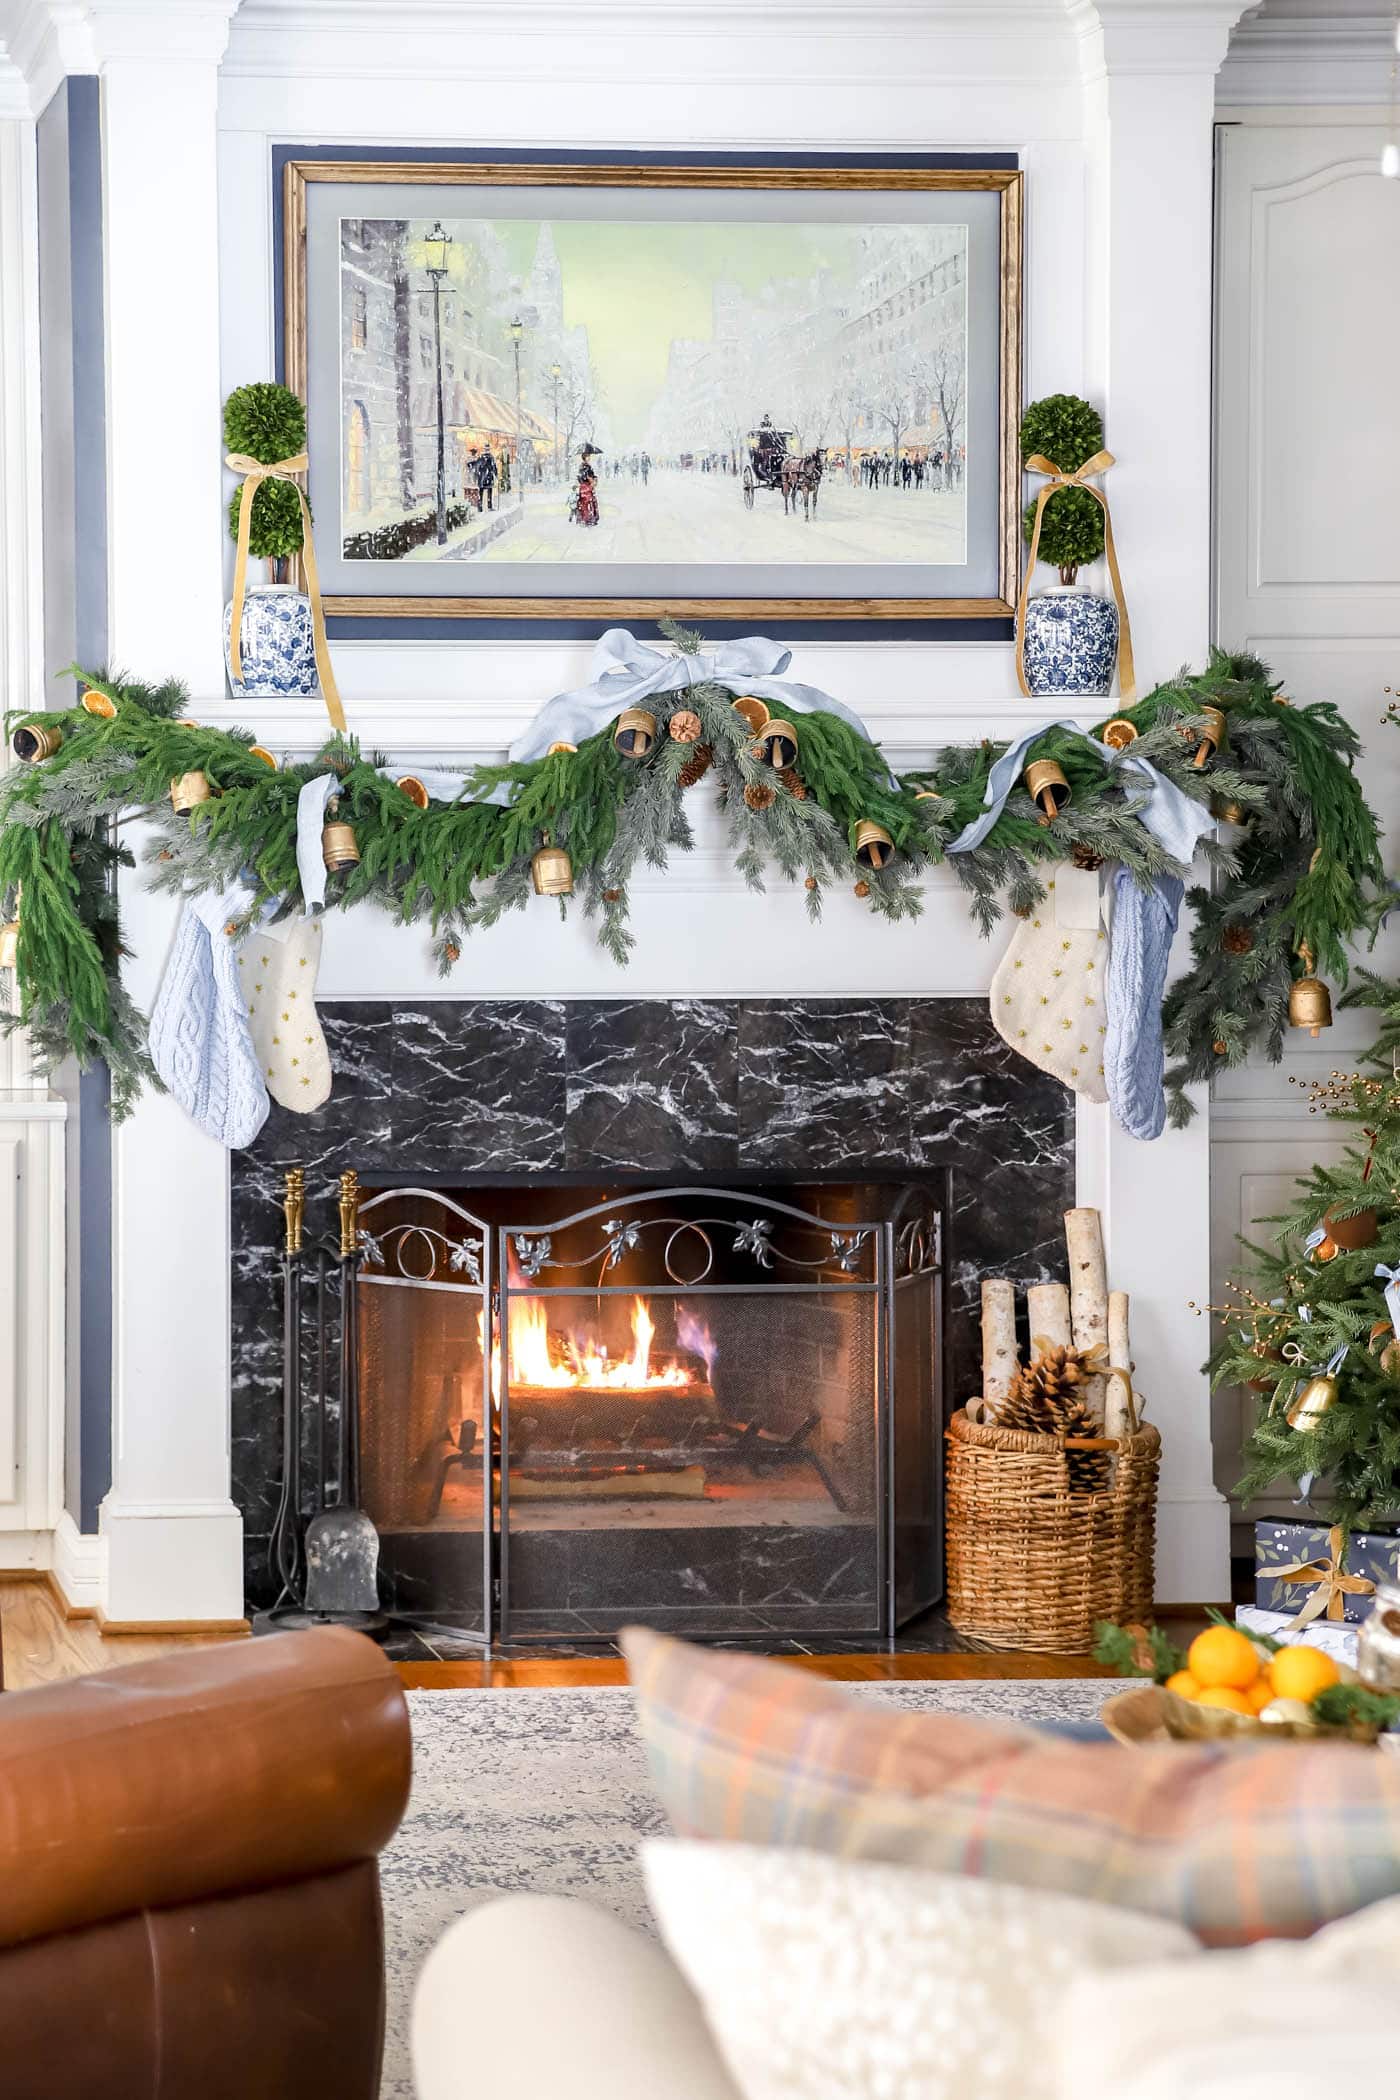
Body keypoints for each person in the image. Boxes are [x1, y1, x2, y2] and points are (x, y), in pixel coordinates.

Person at [573, 441, 601, 526]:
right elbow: (587, 477)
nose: (589, 457)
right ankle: (588, 519)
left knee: (586, 503)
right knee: (587, 503)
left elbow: (583, 476)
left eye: (589, 456)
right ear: (584, 457)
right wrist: (593, 480)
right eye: (588, 456)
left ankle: (586, 519)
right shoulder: (586, 466)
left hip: (584, 487)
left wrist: (593, 478)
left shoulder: (583, 466)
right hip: (586, 487)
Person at [476, 443, 498, 513]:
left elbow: (494, 467)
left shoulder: (484, 457)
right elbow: (494, 467)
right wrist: (495, 474)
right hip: (485, 477)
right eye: (486, 449)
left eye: (487, 449)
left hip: (484, 477)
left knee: (485, 492)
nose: (487, 450)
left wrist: (495, 474)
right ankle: (484, 507)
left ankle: (483, 507)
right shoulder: (487, 457)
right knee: (484, 492)